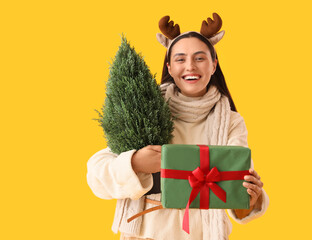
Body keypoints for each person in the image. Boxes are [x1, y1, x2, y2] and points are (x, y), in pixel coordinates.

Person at [87, 13, 269, 240]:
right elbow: (97, 174)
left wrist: (250, 198)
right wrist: (134, 163)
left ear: (214, 65)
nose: (190, 66)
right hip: (147, 233)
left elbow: (237, 180)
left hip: (204, 234)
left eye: (200, 58)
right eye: (180, 59)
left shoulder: (231, 122)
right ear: (170, 68)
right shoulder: (146, 111)